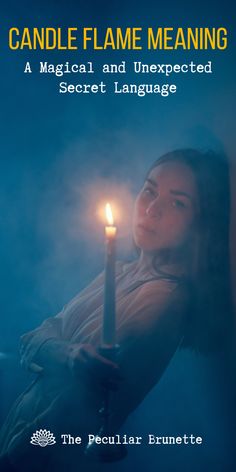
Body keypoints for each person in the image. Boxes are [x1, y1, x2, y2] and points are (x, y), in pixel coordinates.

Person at [0, 149, 233, 471]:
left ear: (202, 222)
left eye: (178, 202)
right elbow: (32, 338)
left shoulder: (166, 299)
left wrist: (56, 354)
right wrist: (66, 355)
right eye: (149, 190)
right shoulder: (119, 270)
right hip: (16, 432)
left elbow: (75, 405)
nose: (152, 209)